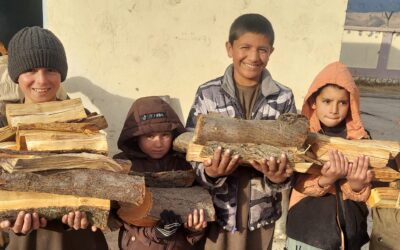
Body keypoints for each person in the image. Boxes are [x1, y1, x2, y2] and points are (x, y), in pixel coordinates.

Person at [185, 13, 296, 250]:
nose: (254, 57)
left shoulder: (283, 97)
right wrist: (210, 172)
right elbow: (190, 148)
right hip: (217, 211)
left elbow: (292, 154)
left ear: (271, 52)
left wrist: (279, 177)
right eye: (245, 47)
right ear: (229, 48)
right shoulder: (208, 94)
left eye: (262, 50)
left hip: (260, 215)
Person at [0, 26, 108, 250]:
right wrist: (8, 219)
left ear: (61, 73)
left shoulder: (84, 124)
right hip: (25, 242)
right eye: (30, 70)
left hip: (80, 241)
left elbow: (105, 182)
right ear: (16, 74)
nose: (41, 80)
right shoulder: (4, 128)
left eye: (50, 69)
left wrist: (88, 211)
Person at [286, 61, 373, 249]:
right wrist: (325, 180)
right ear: (313, 102)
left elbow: (369, 189)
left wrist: (357, 186)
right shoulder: (302, 137)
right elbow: (292, 183)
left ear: (351, 104)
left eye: (342, 102)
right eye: (327, 101)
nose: (334, 110)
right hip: (307, 233)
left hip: (350, 236)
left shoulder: (362, 141)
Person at [114, 96, 207, 250]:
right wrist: (155, 233)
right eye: (149, 136)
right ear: (135, 136)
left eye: (165, 135)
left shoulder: (185, 164)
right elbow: (119, 217)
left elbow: (199, 213)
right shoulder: (123, 167)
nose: (158, 143)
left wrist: (195, 229)